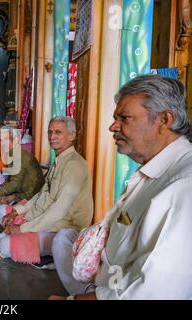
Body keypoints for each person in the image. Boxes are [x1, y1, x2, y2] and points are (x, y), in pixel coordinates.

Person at [49, 75, 192, 300]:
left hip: (109, 293)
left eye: (124, 118)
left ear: (164, 120)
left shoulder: (184, 186)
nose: (112, 126)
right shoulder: (152, 168)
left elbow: (154, 292)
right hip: (102, 281)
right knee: (63, 240)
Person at [0, 117, 93, 263]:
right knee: (5, 216)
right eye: (50, 132)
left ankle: (58, 250)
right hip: (47, 218)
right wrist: (17, 211)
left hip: (65, 229)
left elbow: (59, 211)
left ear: (71, 136)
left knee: (4, 245)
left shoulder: (74, 165)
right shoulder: (59, 160)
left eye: (58, 132)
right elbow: (41, 194)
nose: (52, 136)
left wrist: (21, 229)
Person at [0, 127, 45, 220]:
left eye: (6, 139)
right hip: (19, 193)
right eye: (1, 140)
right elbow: (12, 181)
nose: (3, 143)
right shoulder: (13, 153)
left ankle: (15, 219)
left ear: (15, 140)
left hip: (29, 198)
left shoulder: (19, 155)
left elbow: (14, 185)